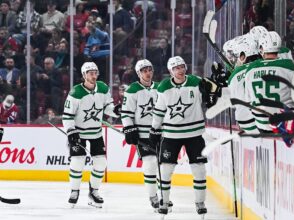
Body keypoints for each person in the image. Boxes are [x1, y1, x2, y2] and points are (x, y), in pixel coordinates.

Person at [150, 56, 215, 217]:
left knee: (199, 170)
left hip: (195, 134)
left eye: (182, 67)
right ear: (170, 71)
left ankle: (200, 202)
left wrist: (212, 95)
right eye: (176, 68)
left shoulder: (197, 81)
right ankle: (164, 202)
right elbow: (159, 110)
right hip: (171, 135)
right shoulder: (164, 86)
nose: (180, 70)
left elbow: (213, 94)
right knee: (165, 170)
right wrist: (154, 129)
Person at [62, 62, 120, 208]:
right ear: (84, 75)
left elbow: (108, 107)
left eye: (95, 73)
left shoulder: (103, 88)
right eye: (90, 73)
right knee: (77, 162)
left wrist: (116, 110)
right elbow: (67, 116)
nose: (93, 75)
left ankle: (93, 192)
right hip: (78, 133)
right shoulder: (76, 93)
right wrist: (70, 131)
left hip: (96, 132)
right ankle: (74, 191)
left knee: (101, 163)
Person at [121, 59, 160, 210]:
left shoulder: (160, 88)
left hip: (160, 133)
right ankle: (153, 196)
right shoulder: (132, 90)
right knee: (150, 164)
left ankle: (164, 195)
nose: (148, 72)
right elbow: (126, 114)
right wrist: (129, 128)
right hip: (143, 135)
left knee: (163, 166)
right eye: (144, 70)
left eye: (149, 69)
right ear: (138, 73)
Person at [244, 31, 294, 132]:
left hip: (261, 126)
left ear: (262, 48)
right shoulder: (289, 66)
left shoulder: (250, 69)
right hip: (285, 126)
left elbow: (247, 100)